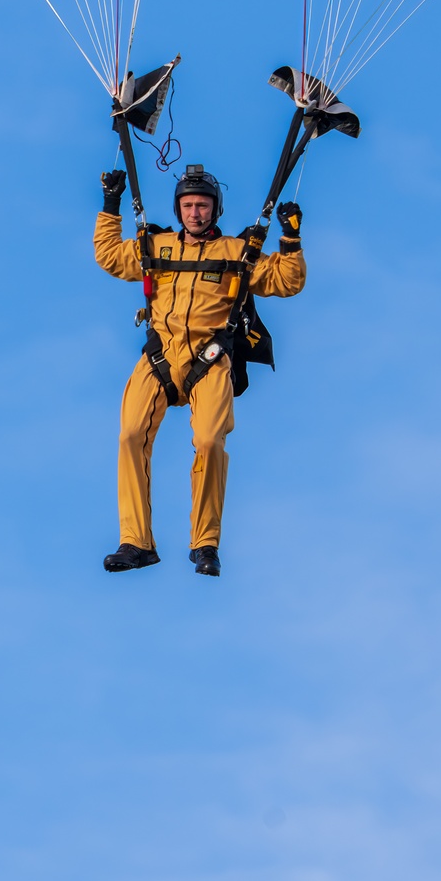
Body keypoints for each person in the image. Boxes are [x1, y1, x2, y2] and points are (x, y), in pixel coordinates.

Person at [94, 164, 306, 576]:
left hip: (209, 360)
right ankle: (135, 542)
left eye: (203, 206)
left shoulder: (236, 252)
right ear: (179, 209)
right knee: (131, 435)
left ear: (216, 210)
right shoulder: (155, 246)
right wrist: (110, 205)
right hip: (159, 357)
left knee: (210, 442)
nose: (195, 213)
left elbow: (286, 281)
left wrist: (291, 238)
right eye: (188, 205)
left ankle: (205, 543)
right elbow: (109, 257)